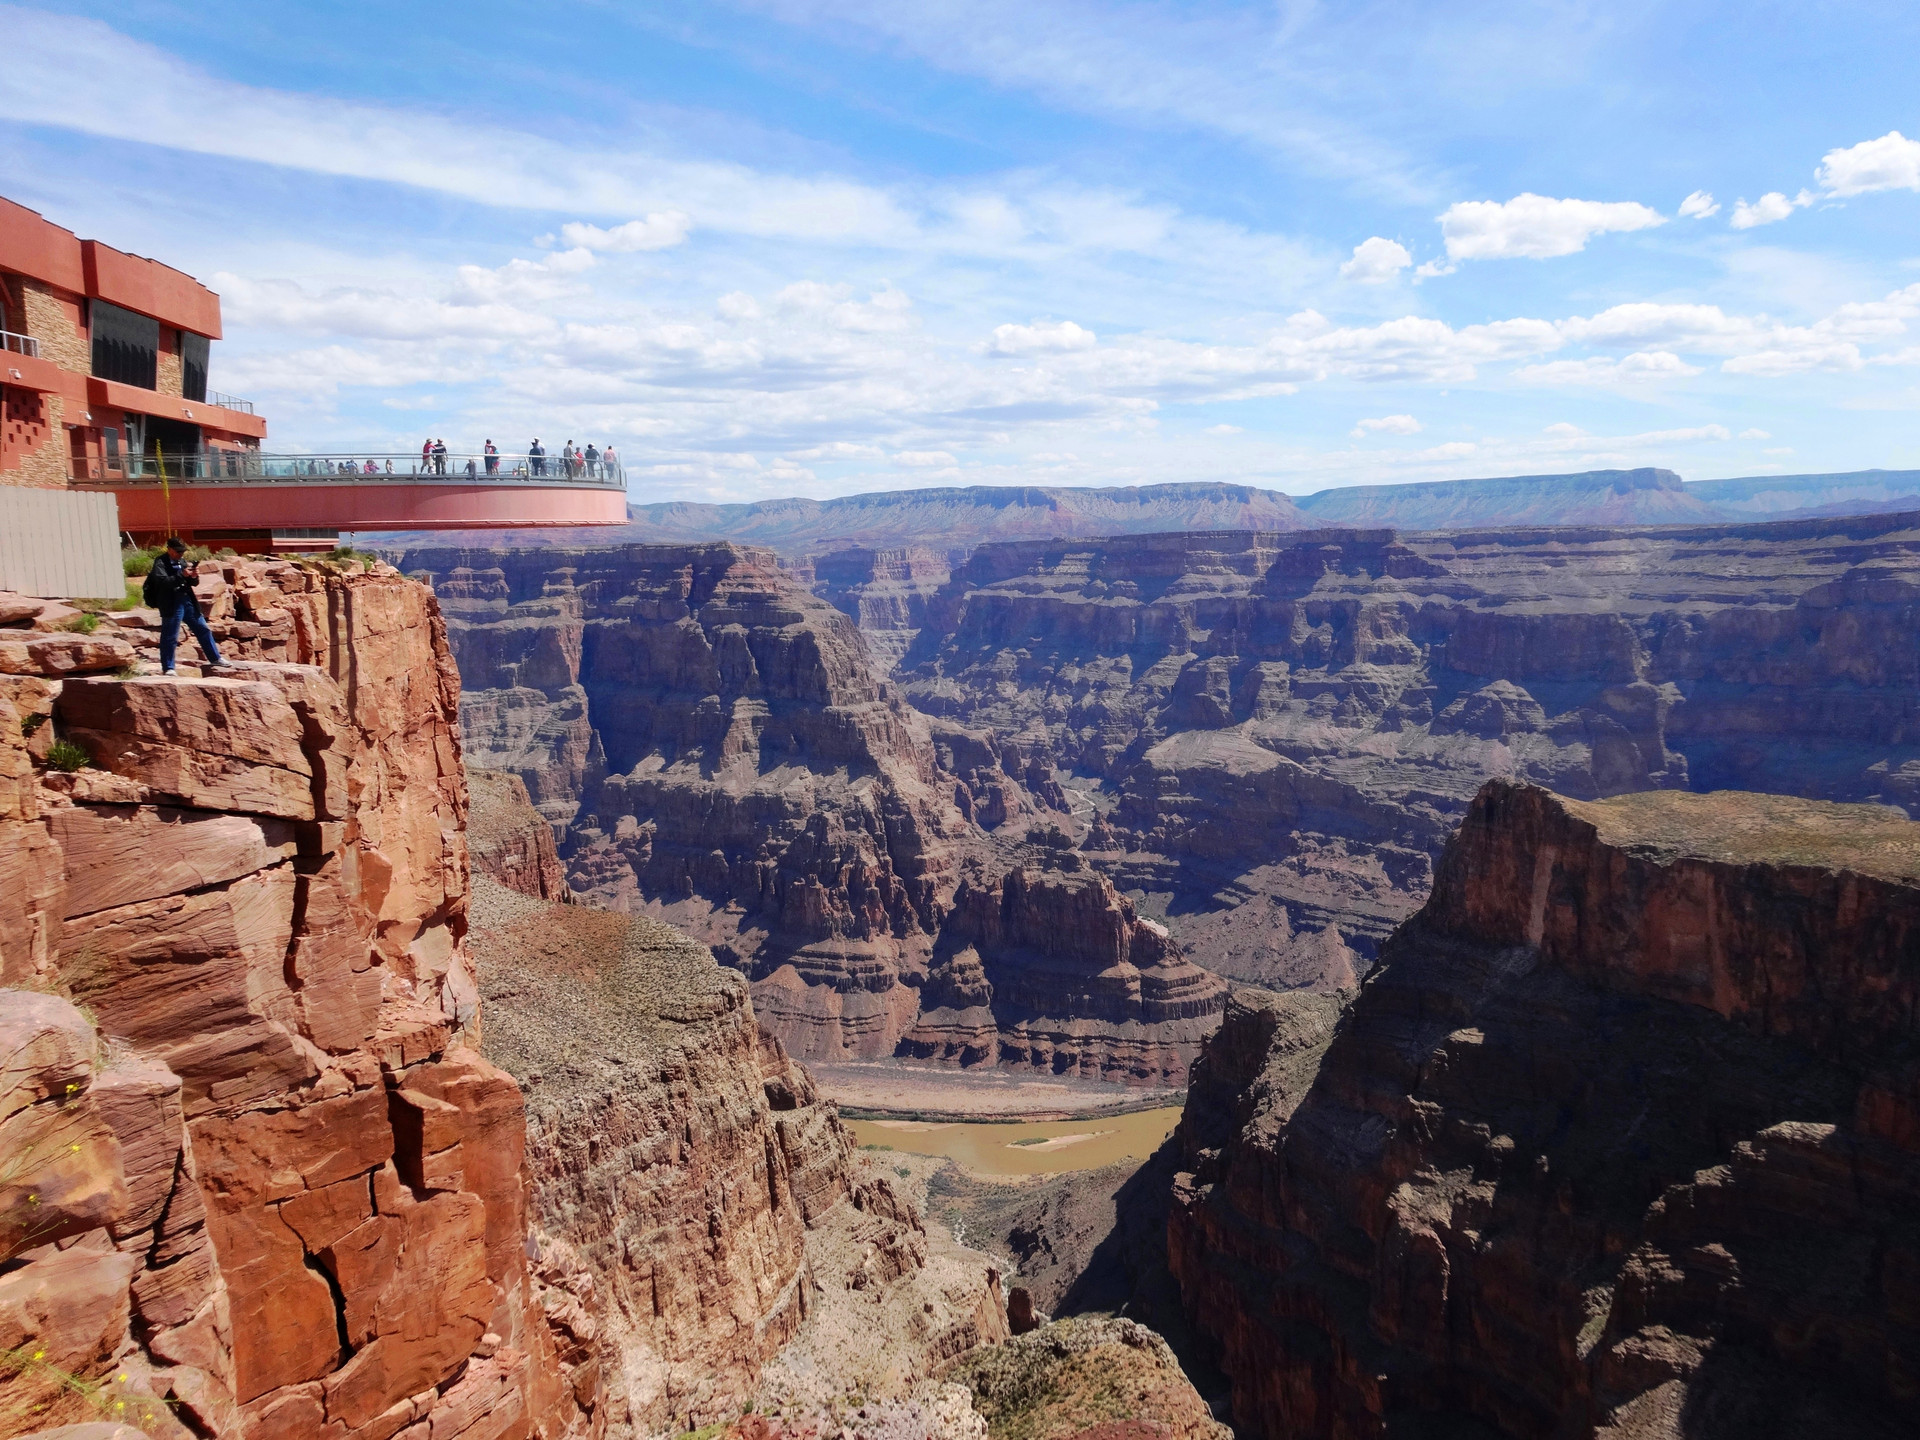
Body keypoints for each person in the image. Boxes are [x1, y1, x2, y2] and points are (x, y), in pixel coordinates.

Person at [142, 537, 224, 676]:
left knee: (203, 628)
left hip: (187, 600)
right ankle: (168, 667)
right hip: (171, 603)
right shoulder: (160, 563)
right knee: (171, 635)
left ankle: (215, 658)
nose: (180, 554)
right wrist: (180, 575)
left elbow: (193, 583)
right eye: (178, 551)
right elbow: (162, 583)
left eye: (182, 552)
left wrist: (193, 577)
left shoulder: (182, 562)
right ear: (169, 550)